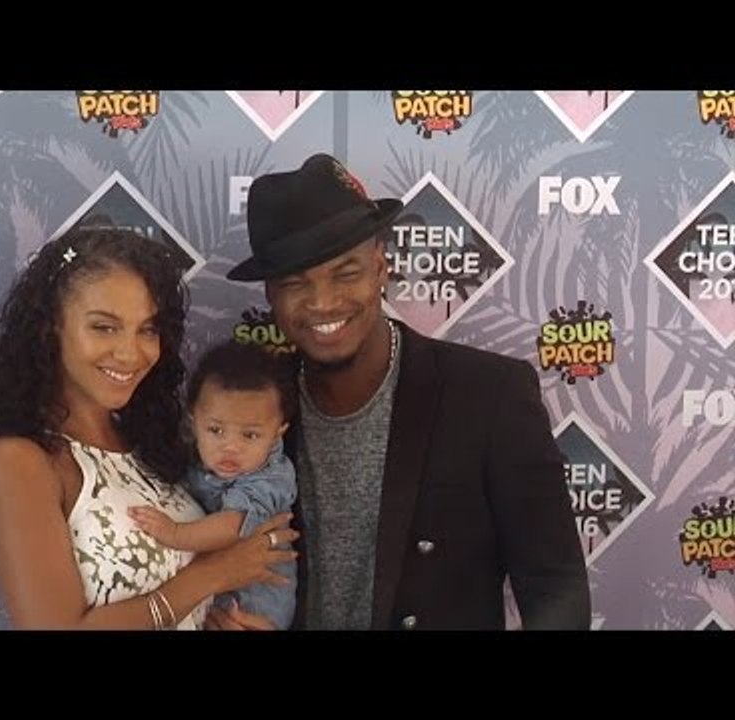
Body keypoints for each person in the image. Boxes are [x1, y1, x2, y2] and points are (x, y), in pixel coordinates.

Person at [212, 153, 590, 630]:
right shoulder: (253, 412)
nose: (323, 301)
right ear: (270, 295)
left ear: (380, 267)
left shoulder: (491, 395)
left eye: (345, 272)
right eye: (295, 283)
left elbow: (557, 587)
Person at [0, 227, 297, 630]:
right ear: (51, 326)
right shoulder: (19, 462)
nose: (130, 352)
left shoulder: (152, 445)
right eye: (103, 327)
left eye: (147, 329)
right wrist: (212, 575)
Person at [129, 341, 298, 629]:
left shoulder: (273, 477)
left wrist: (175, 533)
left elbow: (233, 526)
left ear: (278, 432)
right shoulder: (193, 458)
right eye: (216, 430)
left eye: (250, 435)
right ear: (194, 422)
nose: (230, 447)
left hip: (252, 608)